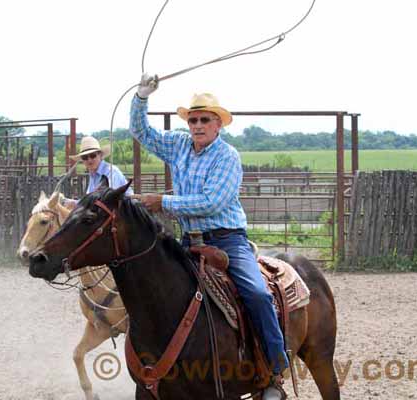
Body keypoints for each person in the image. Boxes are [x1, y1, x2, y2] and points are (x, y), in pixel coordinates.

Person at [129, 74, 288, 399]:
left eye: (205, 119)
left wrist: (163, 202)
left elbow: (212, 201)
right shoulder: (178, 146)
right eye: (193, 119)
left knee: (257, 294)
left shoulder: (227, 156)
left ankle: (273, 369)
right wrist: (141, 97)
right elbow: (141, 132)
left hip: (227, 241)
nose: (198, 125)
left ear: (218, 124)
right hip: (189, 241)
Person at [63, 136, 133, 207]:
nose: (89, 160)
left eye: (93, 156)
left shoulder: (111, 172)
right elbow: (90, 200)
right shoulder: (93, 174)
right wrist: (68, 202)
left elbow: (107, 200)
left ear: (100, 155)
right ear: (83, 161)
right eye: (85, 157)